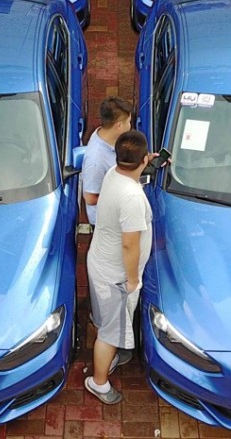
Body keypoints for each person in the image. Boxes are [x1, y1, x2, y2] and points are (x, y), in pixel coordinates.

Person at [84, 130, 157, 405]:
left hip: (99, 260)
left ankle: (113, 351)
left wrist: (151, 160)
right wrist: (132, 279)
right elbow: (130, 245)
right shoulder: (133, 199)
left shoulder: (113, 174)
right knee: (109, 333)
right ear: (140, 161)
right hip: (116, 276)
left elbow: (134, 166)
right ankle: (98, 382)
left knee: (105, 318)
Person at [81, 96, 134, 226]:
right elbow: (90, 198)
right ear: (119, 126)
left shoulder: (108, 135)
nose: (130, 125)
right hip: (107, 224)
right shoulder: (95, 160)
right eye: (129, 122)